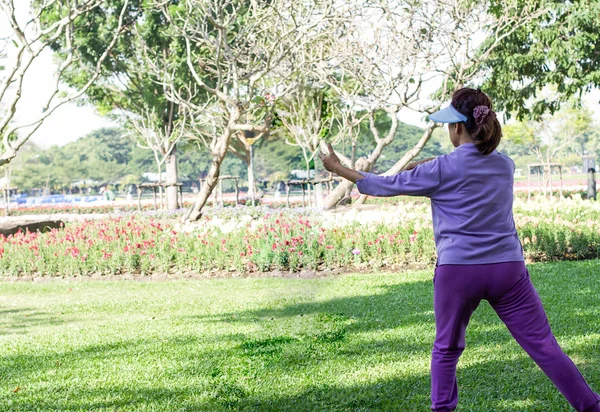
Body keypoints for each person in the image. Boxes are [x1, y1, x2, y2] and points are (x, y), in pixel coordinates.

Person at [319, 87, 600, 412]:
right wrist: (430, 163)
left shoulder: (439, 170)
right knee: (544, 346)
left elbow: (385, 185)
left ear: (456, 128)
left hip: (458, 272)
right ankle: (591, 406)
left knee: (447, 349)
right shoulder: (504, 166)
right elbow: (468, 166)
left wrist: (338, 168)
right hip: (508, 270)